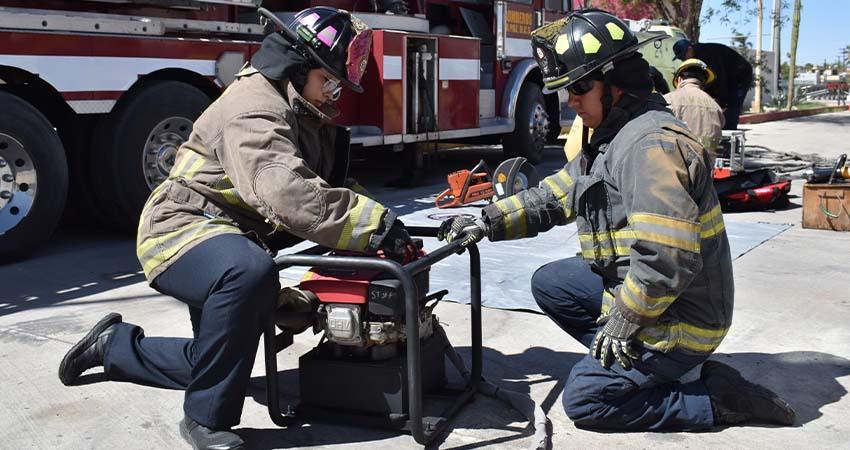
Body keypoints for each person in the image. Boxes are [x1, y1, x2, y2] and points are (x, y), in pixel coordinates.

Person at [58, 7, 415, 450]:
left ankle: (112, 346)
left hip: (228, 235)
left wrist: (387, 223)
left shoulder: (298, 109)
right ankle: (205, 421)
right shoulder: (253, 106)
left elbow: (330, 187)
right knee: (249, 274)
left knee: (217, 363)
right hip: (181, 229)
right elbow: (284, 192)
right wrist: (368, 227)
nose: (332, 94)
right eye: (329, 80)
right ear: (297, 67)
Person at [439, 9, 795, 431]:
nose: (571, 101)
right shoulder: (612, 139)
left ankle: (713, 399)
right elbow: (556, 193)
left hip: (684, 317)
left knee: (588, 402)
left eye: (579, 88)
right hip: (661, 297)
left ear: (616, 82)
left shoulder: (652, 146)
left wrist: (625, 318)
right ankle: (633, 363)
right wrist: (489, 221)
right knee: (552, 282)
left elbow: (667, 259)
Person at [673, 38, 753, 130]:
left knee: (731, 106)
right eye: (680, 58)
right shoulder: (696, 58)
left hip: (740, 75)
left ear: (690, 49)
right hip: (727, 75)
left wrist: (722, 102)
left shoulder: (708, 55)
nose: (683, 60)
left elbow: (720, 78)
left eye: (683, 56)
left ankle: (729, 137)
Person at [664, 58, 725, 166]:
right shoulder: (715, 106)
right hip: (706, 172)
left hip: (675, 170)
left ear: (679, 79)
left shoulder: (668, 100)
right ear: (703, 83)